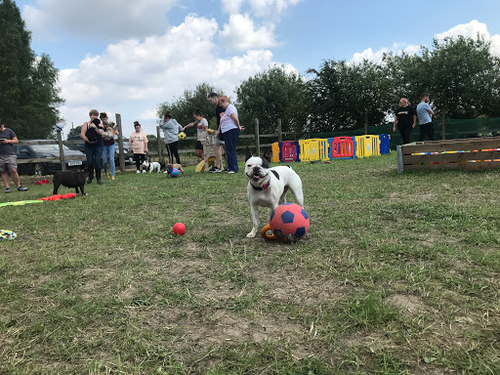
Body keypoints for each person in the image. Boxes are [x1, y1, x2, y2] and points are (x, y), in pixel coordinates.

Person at [0, 119, 28, 193]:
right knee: (3, 171)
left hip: (9, 154)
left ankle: (18, 186)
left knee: (13, 170)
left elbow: (16, 141)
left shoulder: (9, 131)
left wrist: (7, 141)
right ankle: (7, 187)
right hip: (0, 155)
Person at [218, 95, 244, 174]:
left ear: (224, 101)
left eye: (221, 104)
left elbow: (235, 118)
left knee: (230, 149)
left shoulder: (230, 108)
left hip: (231, 130)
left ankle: (233, 168)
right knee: (228, 149)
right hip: (227, 131)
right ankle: (231, 167)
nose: (220, 106)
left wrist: (238, 126)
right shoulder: (227, 110)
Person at [80, 109, 105, 184]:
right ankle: (90, 176)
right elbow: (82, 134)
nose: (94, 117)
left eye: (96, 116)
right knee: (90, 161)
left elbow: (101, 133)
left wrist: (95, 127)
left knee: (97, 161)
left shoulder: (100, 124)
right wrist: (88, 141)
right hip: (89, 144)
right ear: (90, 116)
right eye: (93, 115)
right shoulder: (86, 124)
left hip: (98, 144)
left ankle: (99, 178)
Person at [208, 93, 227, 172]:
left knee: (217, 147)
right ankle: (227, 166)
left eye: (210, 100)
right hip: (225, 129)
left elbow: (222, 118)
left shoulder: (219, 107)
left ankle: (218, 166)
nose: (210, 102)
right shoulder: (222, 106)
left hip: (222, 129)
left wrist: (219, 130)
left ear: (215, 98)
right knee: (226, 148)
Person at [100, 113, 119, 180]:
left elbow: (117, 133)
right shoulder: (100, 125)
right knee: (105, 160)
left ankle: (113, 175)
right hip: (104, 144)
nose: (105, 120)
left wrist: (112, 129)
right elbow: (101, 133)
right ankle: (106, 172)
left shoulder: (110, 124)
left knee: (111, 159)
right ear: (101, 119)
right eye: (103, 119)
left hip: (111, 144)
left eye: (105, 118)